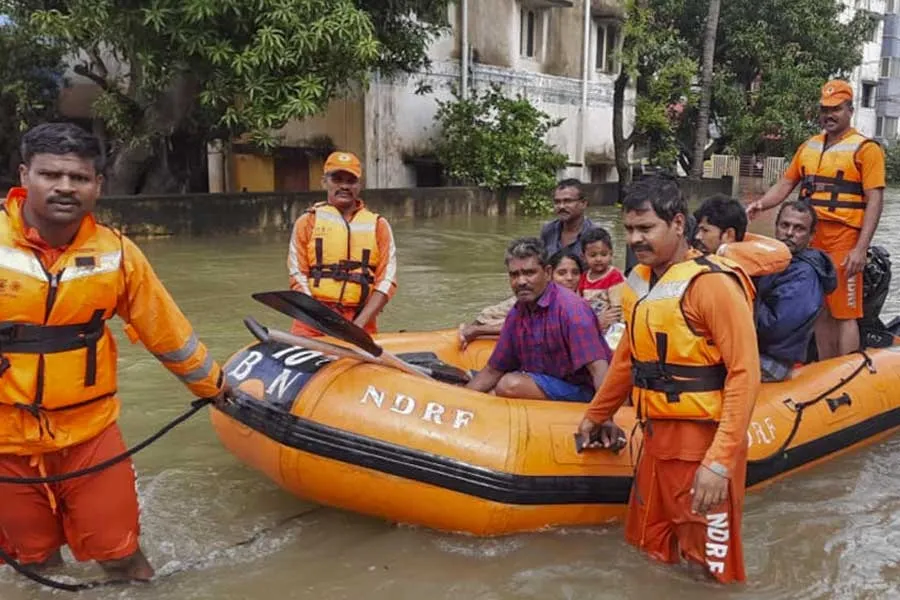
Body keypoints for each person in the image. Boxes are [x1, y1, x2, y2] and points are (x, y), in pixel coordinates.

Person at [0, 123, 229, 581]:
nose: (65, 187)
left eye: (79, 178)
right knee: (35, 562)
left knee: (123, 558)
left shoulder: (118, 255)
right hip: (4, 439)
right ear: (26, 175)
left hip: (90, 434)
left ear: (98, 186)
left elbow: (169, 333)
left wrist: (220, 390)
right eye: (51, 175)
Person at [577, 174, 759, 584]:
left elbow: (745, 373)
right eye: (629, 229)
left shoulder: (711, 285)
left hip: (701, 443)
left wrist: (719, 461)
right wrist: (597, 414)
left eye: (646, 228)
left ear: (678, 224)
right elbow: (627, 361)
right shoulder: (639, 283)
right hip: (655, 440)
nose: (636, 239)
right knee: (648, 547)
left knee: (710, 570)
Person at [747, 79, 886, 359]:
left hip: (844, 240)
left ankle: (847, 373)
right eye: (824, 109)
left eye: (835, 109)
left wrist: (860, 248)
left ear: (850, 110)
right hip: (811, 240)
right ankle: (824, 370)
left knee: (844, 312)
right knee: (820, 307)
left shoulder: (866, 149)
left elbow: (875, 201)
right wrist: (761, 204)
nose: (829, 115)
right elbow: (785, 185)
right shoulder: (808, 147)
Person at [466, 238, 615, 403]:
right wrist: (459, 400)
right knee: (492, 390)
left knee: (509, 384)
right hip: (547, 382)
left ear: (548, 273)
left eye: (530, 273)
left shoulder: (572, 310)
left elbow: (599, 369)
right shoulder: (517, 313)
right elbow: (493, 370)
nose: (521, 281)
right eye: (514, 275)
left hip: (584, 391)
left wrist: (603, 416)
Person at [287, 151, 398, 336]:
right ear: (324, 182)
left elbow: (387, 281)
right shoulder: (307, 222)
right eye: (337, 179)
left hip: (361, 320)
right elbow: (297, 274)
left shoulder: (379, 225)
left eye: (351, 181)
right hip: (311, 321)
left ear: (359, 185)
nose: (344, 186)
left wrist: (357, 326)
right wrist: (319, 316)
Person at [756, 200, 837, 381]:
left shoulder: (805, 275)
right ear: (776, 227)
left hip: (771, 361)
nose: (790, 233)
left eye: (799, 229)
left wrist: (742, 299)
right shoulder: (773, 261)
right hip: (756, 351)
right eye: (785, 225)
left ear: (811, 236)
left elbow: (775, 328)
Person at [458, 249, 585, 348]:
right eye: (562, 273)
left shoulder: (581, 302)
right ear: (549, 275)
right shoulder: (535, 295)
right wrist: (475, 329)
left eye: (575, 273)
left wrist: (478, 331)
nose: (569, 278)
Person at [693, 194, 791, 280]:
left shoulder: (752, 268)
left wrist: (724, 251)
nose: (698, 236)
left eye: (705, 230)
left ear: (729, 234)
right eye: (699, 230)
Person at [577, 227, 625, 332]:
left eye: (604, 254)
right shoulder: (583, 277)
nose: (598, 259)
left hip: (611, 327)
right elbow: (578, 304)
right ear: (583, 257)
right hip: (592, 324)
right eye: (593, 255)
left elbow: (617, 309)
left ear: (611, 254)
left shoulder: (614, 276)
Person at [540, 179, 595, 256]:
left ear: (583, 203)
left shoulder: (595, 234)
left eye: (568, 201)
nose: (561, 206)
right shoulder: (548, 230)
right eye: (557, 202)